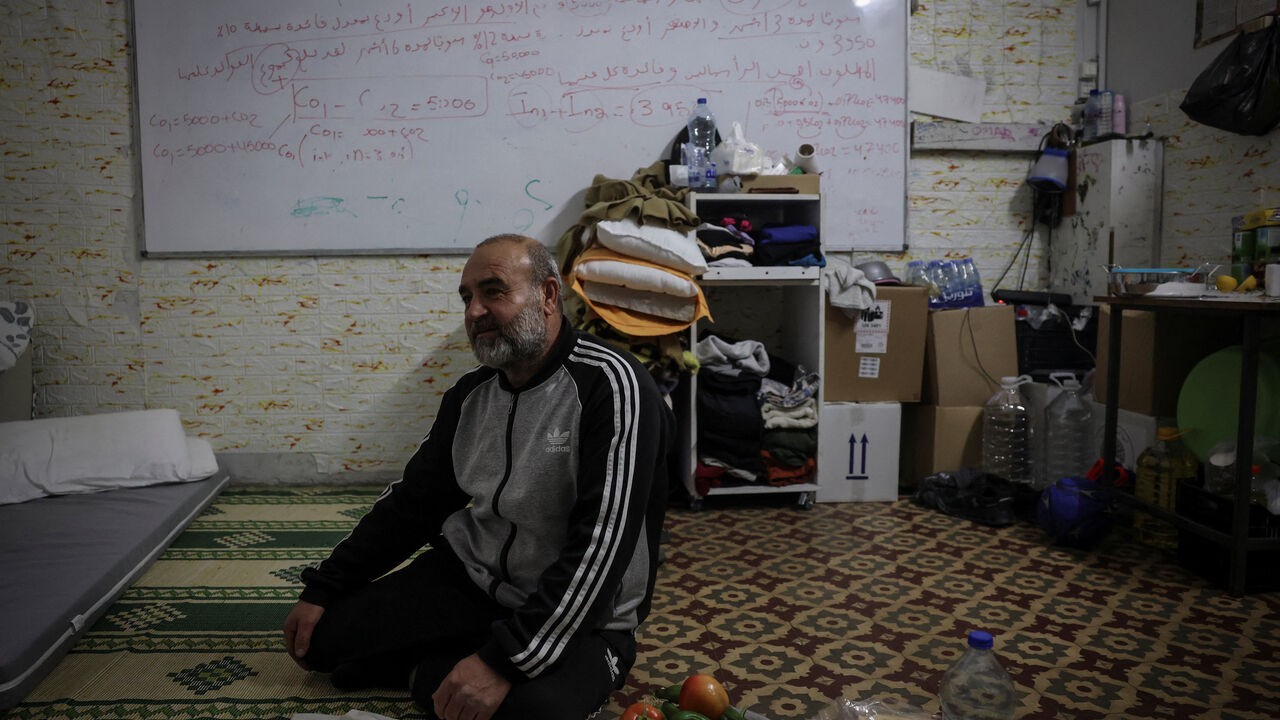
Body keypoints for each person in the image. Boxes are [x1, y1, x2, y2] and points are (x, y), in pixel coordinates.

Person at [283, 234, 673, 720]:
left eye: (494, 291)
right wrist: (324, 586)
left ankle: (432, 671)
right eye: (467, 297)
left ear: (548, 296)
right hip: (473, 583)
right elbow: (413, 505)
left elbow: (600, 547)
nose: (474, 311)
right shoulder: (470, 396)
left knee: (530, 712)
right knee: (318, 642)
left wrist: (502, 662)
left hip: (583, 614)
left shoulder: (613, 386)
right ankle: (446, 668)